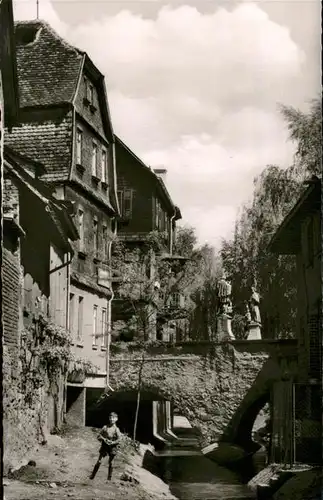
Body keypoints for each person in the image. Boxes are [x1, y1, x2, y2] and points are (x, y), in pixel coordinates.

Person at [90, 412, 122, 481]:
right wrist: (103, 439)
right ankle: (92, 475)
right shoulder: (105, 427)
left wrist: (113, 442)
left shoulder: (117, 429)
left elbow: (119, 439)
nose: (111, 419)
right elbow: (98, 436)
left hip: (112, 447)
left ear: (116, 419)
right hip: (105, 445)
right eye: (110, 417)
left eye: (113, 418)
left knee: (111, 462)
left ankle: (109, 478)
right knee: (99, 461)